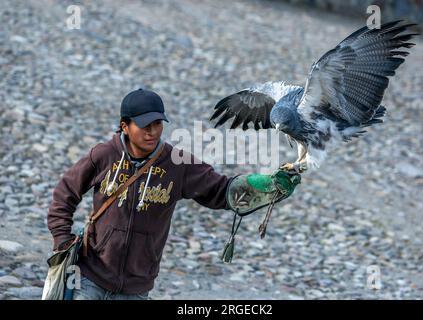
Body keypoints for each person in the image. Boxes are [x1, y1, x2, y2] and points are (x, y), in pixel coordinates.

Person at [47, 88, 300, 300]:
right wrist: (62, 240)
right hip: (90, 275)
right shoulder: (104, 155)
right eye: (145, 125)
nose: (153, 131)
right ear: (125, 126)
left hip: (136, 287)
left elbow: (221, 190)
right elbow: (64, 194)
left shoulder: (177, 164)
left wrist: (265, 185)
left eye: (158, 124)